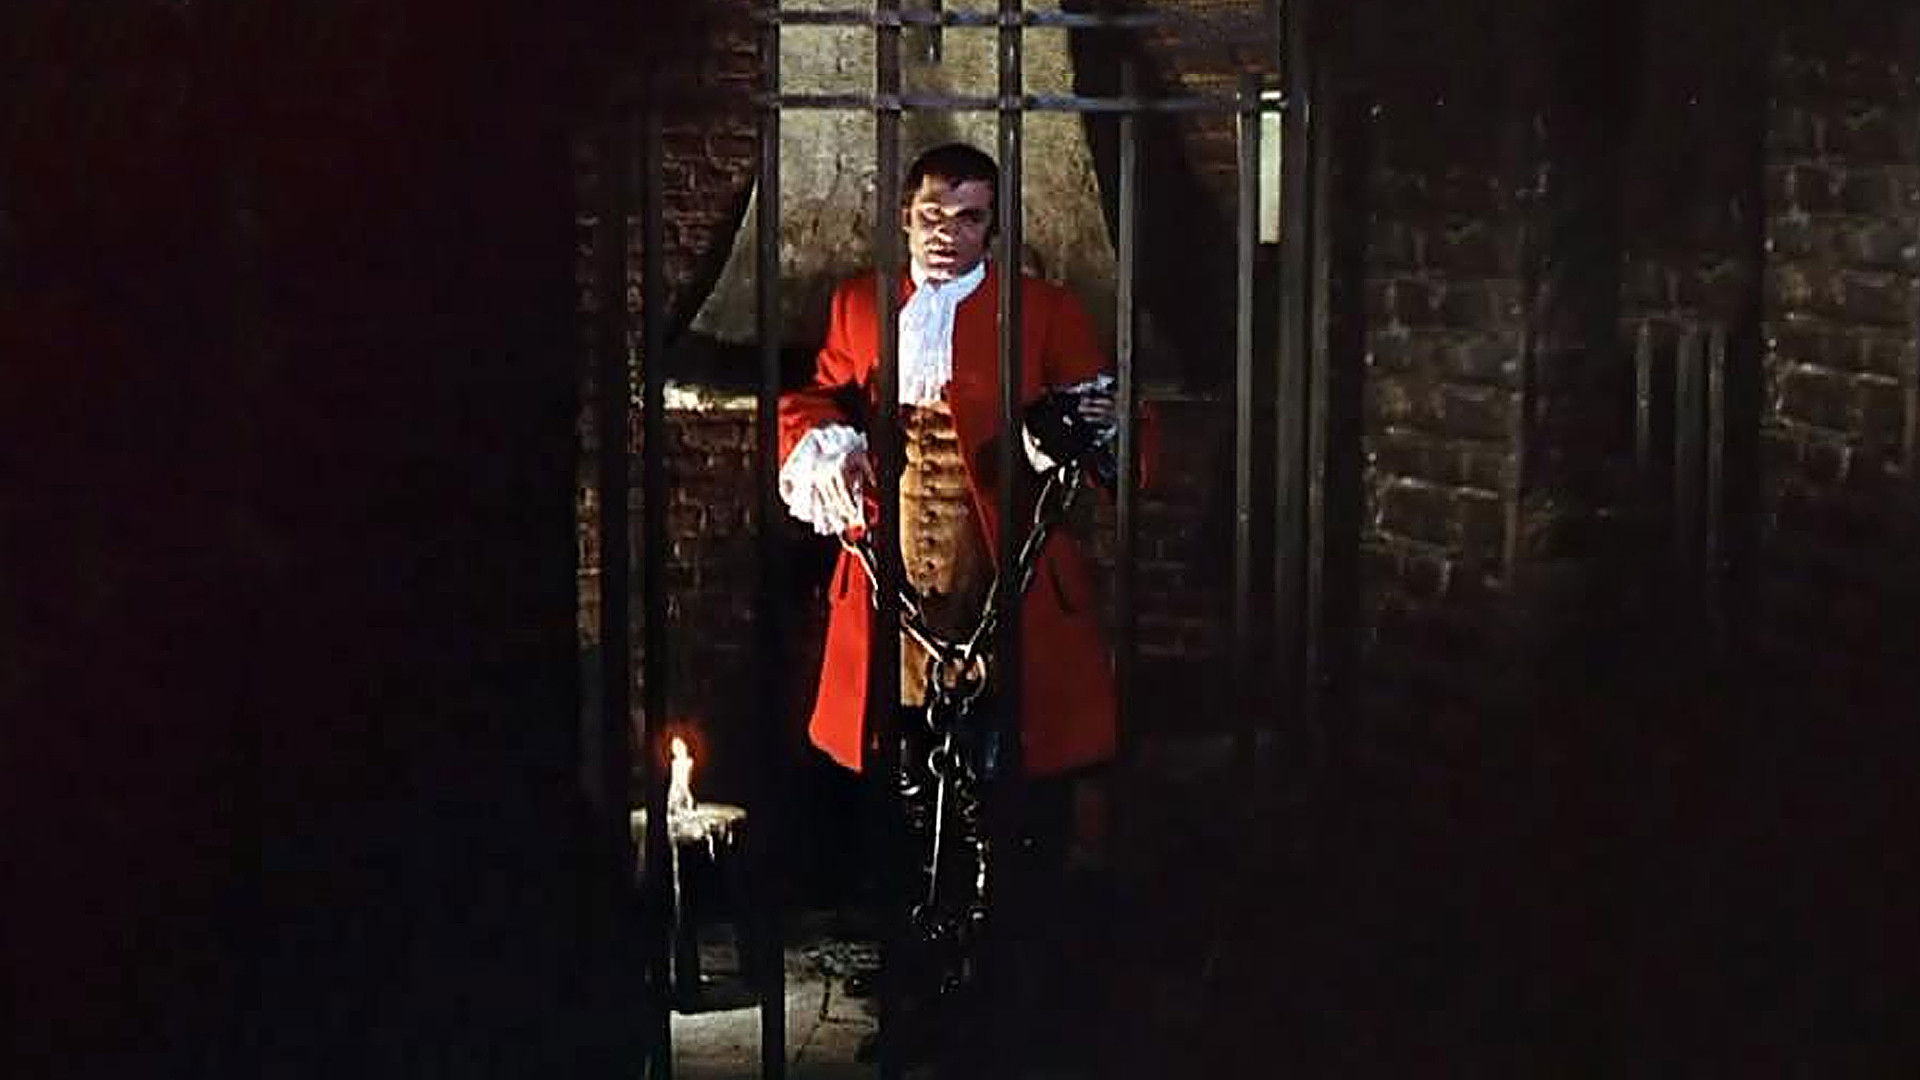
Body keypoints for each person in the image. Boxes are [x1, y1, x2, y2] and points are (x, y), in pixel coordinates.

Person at [779, 141, 1143, 1068]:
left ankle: (1003, 1008)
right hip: (897, 607)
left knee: (1009, 819)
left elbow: (1124, 438)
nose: (948, 233)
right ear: (905, 216)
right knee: (907, 821)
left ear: (993, 229)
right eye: (933, 214)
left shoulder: (1045, 311)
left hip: (1006, 605)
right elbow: (814, 397)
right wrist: (826, 446)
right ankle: (917, 997)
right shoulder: (859, 305)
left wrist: (1062, 433)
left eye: (970, 217)